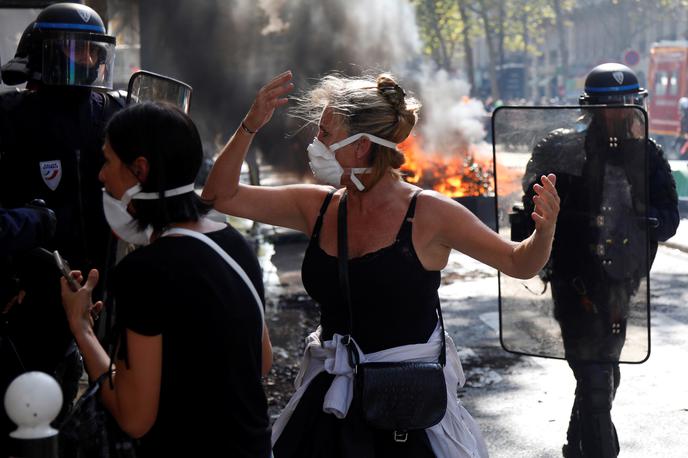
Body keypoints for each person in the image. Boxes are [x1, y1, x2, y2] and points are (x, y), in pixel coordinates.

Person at [201, 70, 560, 457]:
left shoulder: (429, 213)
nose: (315, 143)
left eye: (325, 133)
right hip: (328, 410)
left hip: (407, 415)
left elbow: (519, 262)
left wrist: (544, 232)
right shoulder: (318, 206)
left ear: (360, 147)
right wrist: (249, 126)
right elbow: (219, 195)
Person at [60, 101, 273, 457]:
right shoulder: (232, 242)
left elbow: (134, 417)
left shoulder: (144, 271)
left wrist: (80, 327)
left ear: (139, 170)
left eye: (109, 160)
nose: (101, 175)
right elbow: (260, 362)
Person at [520, 63, 679, 458]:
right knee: (593, 378)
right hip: (573, 282)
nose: (621, 112)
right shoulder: (559, 148)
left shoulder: (648, 154)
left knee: (606, 374)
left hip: (621, 285)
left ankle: (575, 446)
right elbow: (529, 210)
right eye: (612, 105)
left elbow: (671, 218)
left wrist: (649, 221)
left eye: (628, 103)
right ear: (591, 109)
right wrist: (562, 216)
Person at [0, 4, 124, 455]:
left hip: (107, 289)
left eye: (91, 52)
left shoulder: (116, 113)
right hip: (32, 296)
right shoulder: (10, 116)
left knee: (110, 400)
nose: (82, 62)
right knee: (32, 406)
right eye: (70, 53)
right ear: (39, 55)